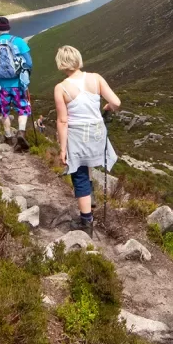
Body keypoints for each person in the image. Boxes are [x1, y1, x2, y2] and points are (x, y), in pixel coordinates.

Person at [54, 45, 121, 236]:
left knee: (80, 175)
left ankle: (86, 222)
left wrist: (62, 148)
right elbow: (116, 103)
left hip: (78, 136)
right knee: (88, 165)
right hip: (98, 134)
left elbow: (62, 120)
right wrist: (107, 107)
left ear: (61, 63)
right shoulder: (96, 78)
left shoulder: (61, 88)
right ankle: (89, 200)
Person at [0, 16, 33, 150]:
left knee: (4, 112)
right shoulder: (19, 41)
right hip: (18, 85)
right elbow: (29, 62)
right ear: (9, 28)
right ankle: (21, 132)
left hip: (1, 86)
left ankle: (9, 137)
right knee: (23, 109)